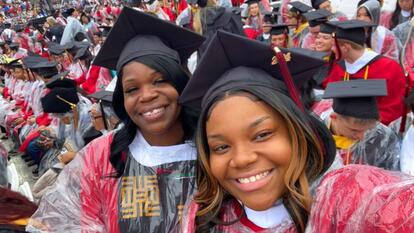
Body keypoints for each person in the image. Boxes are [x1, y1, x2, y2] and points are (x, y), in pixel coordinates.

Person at [178, 30, 414, 233]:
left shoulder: (344, 197)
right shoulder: (202, 218)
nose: (241, 158)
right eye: (221, 147)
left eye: (262, 134)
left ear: (297, 133)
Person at [27, 7, 205, 233]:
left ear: (180, 84)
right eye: (132, 89)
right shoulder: (101, 157)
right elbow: (76, 219)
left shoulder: (212, 150)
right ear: (122, 98)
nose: (147, 95)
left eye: (160, 81)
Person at [322, 20, 406, 125]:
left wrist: (359, 126)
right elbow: (330, 98)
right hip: (339, 128)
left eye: (334, 45)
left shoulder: (389, 68)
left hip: (373, 131)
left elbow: (392, 110)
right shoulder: (339, 66)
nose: (332, 49)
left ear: (346, 47)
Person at [320, 79, 400, 170]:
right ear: (334, 117)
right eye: (354, 130)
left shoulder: (381, 138)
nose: (361, 136)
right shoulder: (316, 134)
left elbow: (389, 174)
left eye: (366, 130)